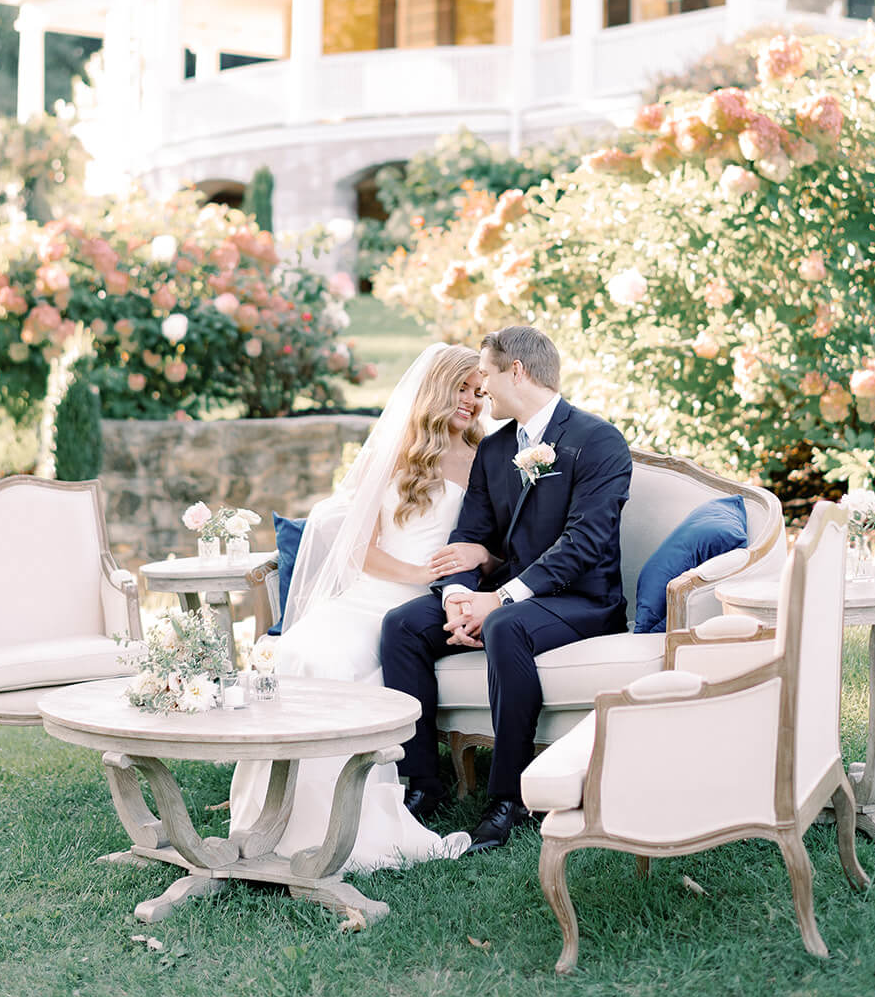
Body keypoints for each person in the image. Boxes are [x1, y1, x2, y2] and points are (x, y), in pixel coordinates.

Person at [227, 342, 489, 870]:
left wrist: (478, 558)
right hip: (369, 596)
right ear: (436, 389)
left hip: (424, 607)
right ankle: (268, 818)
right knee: (294, 654)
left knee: (333, 667)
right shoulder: (392, 452)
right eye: (462, 388)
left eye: (480, 391)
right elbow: (357, 549)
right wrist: (414, 571)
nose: (472, 401)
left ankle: (341, 827)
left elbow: (500, 541)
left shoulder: (487, 458)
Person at [380, 324, 632, 852]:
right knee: (402, 626)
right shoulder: (494, 451)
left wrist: (498, 599)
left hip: (581, 601)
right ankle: (424, 784)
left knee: (506, 624)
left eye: (487, 374)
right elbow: (468, 536)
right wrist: (455, 599)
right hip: (502, 594)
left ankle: (509, 799)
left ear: (515, 370)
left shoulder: (597, 441)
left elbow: (584, 543)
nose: (483, 387)